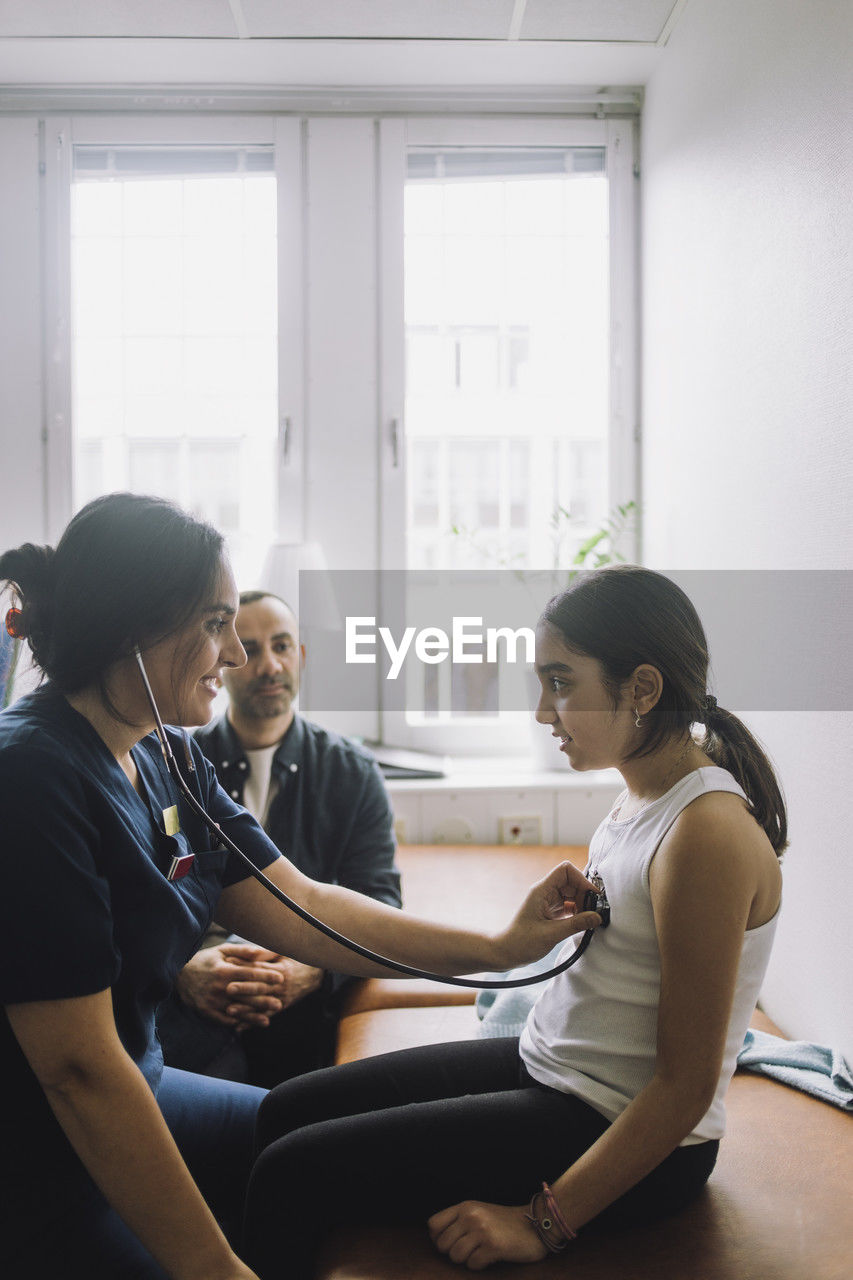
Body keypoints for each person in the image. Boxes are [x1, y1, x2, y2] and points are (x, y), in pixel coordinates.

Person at [0, 492, 599, 1280]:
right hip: (42, 1154)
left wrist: (497, 949)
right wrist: (220, 1271)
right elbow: (77, 1072)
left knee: (339, 1158)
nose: (238, 658)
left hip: (139, 1085)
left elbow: (306, 903)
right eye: (216, 625)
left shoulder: (164, 754)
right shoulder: (32, 778)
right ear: (136, 627)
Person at [244, 565, 786, 1279]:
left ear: (642, 689)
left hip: (621, 1130)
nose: (541, 712)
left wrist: (542, 1221)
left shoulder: (705, 832)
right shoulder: (640, 799)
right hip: (557, 1073)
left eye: (560, 683)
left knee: (290, 1172)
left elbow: (684, 1089)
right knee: (282, 1110)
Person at [157, 590, 401, 1087]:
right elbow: (143, 897)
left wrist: (311, 972)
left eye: (282, 645)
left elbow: (379, 898)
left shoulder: (350, 772)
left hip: (299, 999)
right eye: (248, 647)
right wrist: (184, 971)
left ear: (302, 656)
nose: (269, 665)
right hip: (192, 999)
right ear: (221, 662)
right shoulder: (175, 764)